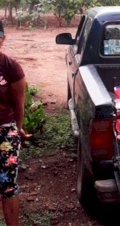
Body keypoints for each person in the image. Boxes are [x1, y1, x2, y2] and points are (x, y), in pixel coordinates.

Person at [0, 20, 30, 226]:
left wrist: (17, 128)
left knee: (7, 186)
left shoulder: (10, 67)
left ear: (2, 39)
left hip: (3, 131)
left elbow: (19, 104)